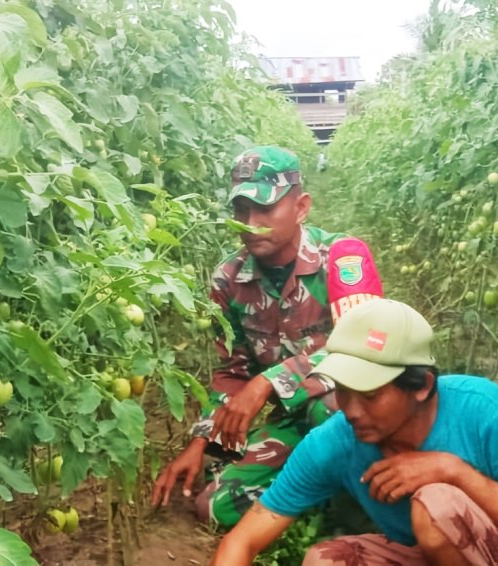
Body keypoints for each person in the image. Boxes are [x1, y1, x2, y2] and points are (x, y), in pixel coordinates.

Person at [212, 299, 498, 565]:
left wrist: (453, 471)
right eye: (342, 390)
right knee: (327, 560)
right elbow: (242, 542)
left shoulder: (485, 412)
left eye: (370, 395)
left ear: (420, 386)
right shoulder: (336, 441)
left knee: (438, 504)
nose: (351, 410)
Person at [150, 146, 383, 528]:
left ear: (301, 207)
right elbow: (233, 370)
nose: (251, 223)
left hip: (350, 404)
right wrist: (199, 443)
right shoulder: (229, 278)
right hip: (294, 416)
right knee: (216, 506)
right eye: (241, 211)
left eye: (265, 210)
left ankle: (361, 500)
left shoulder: (342, 258)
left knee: (333, 409)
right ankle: (319, 484)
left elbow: (367, 347)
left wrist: (268, 382)